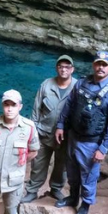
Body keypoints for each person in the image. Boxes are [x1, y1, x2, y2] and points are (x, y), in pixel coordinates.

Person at [55, 50, 108, 214]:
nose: (101, 67)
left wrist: (103, 149)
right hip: (73, 137)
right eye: (98, 63)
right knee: (72, 171)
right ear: (93, 65)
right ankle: (72, 197)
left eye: (105, 64)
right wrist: (61, 125)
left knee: (88, 177)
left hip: (92, 143)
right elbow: (69, 105)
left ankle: (84, 206)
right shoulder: (81, 84)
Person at [21, 55, 78, 203]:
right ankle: (32, 190)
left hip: (65, 137)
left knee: (62, 165)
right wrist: (33, 131)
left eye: (67, 67)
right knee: (38, 164)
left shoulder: (78, 87)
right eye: (60, 66)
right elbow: (36, 109)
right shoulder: (47, 84)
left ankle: (56, 189)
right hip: (43, 132)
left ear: (72, 69)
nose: (63, 69)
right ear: (56, 68)